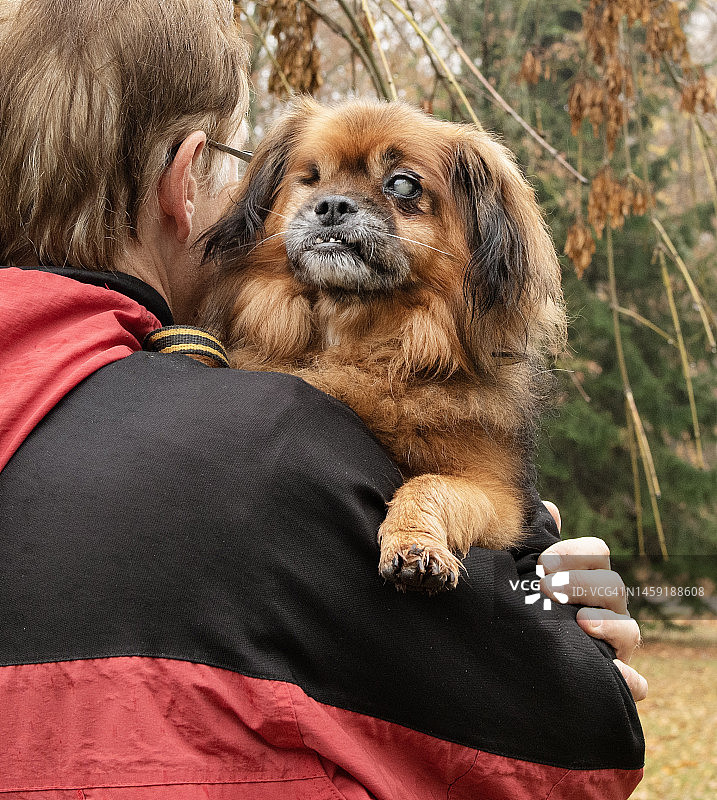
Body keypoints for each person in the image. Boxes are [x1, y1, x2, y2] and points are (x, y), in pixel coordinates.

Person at [0, 1, 644, 798]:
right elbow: (577, 744)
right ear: (182, 182)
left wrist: (512, 555)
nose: (330, 205)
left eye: (400, 189)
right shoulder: (274, 447)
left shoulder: (91, 393)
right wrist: (547, 597)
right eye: (298, 181)